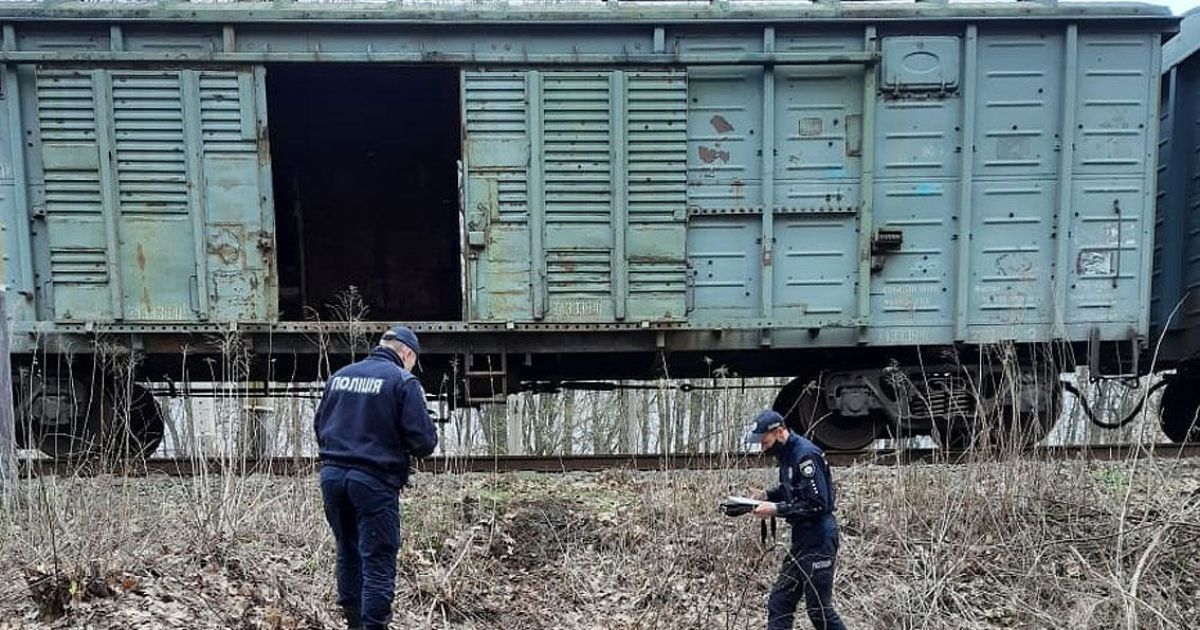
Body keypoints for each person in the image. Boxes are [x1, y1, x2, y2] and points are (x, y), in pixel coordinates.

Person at [314, 325, 438, 630]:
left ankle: (354, 624)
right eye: (413, 360)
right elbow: (424, 443)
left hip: (331, 478)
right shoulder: (403, 381)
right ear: (407, 354)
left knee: (348, 551)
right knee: (378, 562)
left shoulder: (339, 376)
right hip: (373, 482)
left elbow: (320, 427)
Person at [746, 409, 847, 630]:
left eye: (765, 442)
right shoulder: (787, 456)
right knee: (780, 602)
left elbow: (818, 503)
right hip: (801, 540)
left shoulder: (805, 455)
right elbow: (792, 491)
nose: (763, 448)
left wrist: (774, 509)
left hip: (819, 538)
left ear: (779, 432)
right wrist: (766, 496)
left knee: (819, 610)